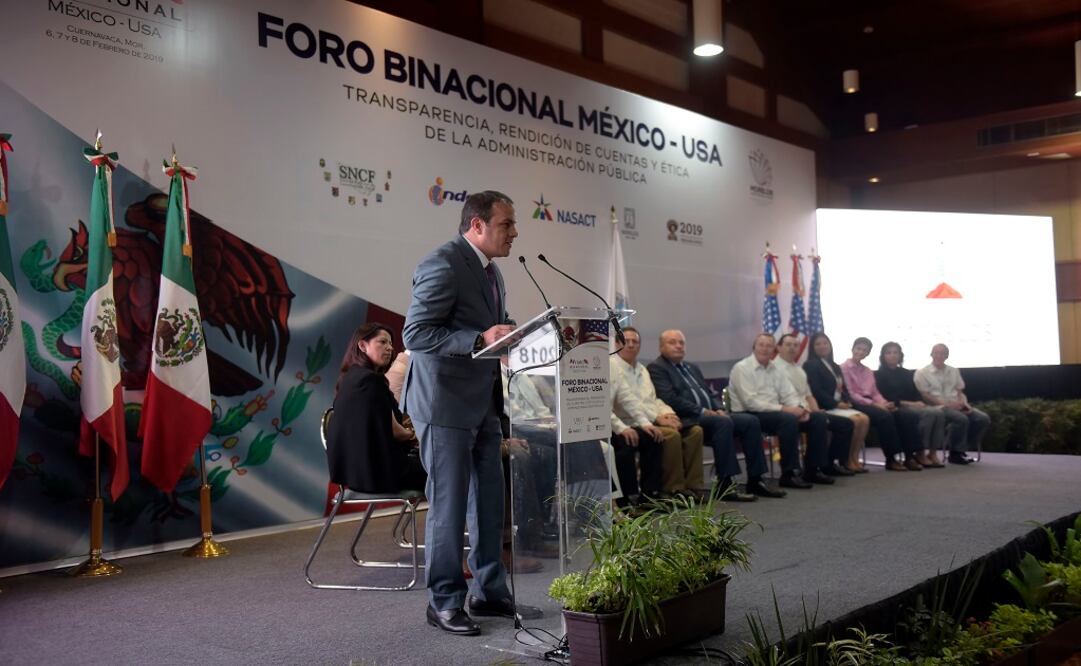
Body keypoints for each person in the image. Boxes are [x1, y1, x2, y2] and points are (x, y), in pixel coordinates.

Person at [401, 190, 518, 636]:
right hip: (443, 403)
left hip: (483, 402)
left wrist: (510, 335)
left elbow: (492, 325)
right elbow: (416, 334)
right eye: (507, 224)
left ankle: (489, 592)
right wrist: (478, 339)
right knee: (448, 508)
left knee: (489, 501)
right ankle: (444, 601)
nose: (514, 232)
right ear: (477, 226)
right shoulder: (443, 263)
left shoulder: (492, 272)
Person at [648, 329, 783, 499]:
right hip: (687, 419)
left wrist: (718, 408)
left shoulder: (691, 367)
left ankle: (756, 480)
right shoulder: (657, 368)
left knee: (750, 421)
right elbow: (669, 398)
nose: (678, 346)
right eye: (672, 342)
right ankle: (725, 484)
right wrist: (704, 411)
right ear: (661, 347)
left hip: (710, 416)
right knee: (723, 423)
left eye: (681, 343)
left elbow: (709, 393)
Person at [610, 327, 707, 503]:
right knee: (669, 434)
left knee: (695, 431)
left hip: (646, 419)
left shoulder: (641, 369)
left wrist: (669, 414)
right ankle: (671, 489)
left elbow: (653, 399)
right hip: (627, 422)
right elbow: (631, 402)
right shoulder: (612, 367)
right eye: (626, 341)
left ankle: (693, 487)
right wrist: (656, 419)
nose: (631, 345)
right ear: (616, 343)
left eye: (635, 341)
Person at [326, 323, 426, 494]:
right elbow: (397, 432)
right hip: (379, 474)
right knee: (445, 470)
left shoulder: (347, 379)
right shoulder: (373, 381)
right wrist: (416, 435)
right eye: (383, 342)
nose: (390, 348)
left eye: (390, 344)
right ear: (362, 345)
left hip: (353, 476)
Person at [728, 333, 832, 489]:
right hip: (749, 413)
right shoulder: (742, 368)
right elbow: (751, 402)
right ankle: (789, 473)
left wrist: (801, 409)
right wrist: (787, 409)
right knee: (788, 419)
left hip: (774, 413)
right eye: (761, 345)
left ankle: (812, 469)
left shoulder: (775, 369)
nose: (765, 349)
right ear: (754, 347)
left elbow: (789, 393)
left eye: (769, 346)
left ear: (774, 349)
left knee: (817, 418)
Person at [775, 333, 855, 477]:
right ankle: (805, 470)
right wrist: (805, 411)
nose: (792, 348)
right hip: (788, 412)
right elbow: (783, 397)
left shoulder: (798, 369)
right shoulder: (774, 369)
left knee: (845, 424)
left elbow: (809, 395)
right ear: (779, 348)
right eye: (788, 345)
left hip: (806, 411)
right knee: (815, 420)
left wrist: (816, 410)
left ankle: (828, 464)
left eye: (795, 345)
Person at [841, 337, 921, 471]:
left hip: (872, 402)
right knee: (885, 417)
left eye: (865, 350)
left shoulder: (867, 370)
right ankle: (891, 459)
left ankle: (909, 456)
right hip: (856, 403)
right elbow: (852, 394)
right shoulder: (844, 368)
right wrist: (874, 404)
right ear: (852, 349)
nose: (861, 352)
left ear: (868, 353)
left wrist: (885, 403)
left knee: (901, 414)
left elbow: (875, 391)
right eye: (858, 348)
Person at [803, 333, 871, 473]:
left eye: (825, 343)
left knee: (864, 419)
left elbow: (842, 387)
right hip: (824, 406)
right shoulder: (811, 365)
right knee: (855, 421)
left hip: (839, 404)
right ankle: (841, 460)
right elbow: (816, 391)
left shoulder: (834, 366)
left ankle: (852, 458)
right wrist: (835, 404)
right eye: (818, 344)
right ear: (812, 347)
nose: (822, 346)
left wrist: (846, 401)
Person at [913, 343, 989, 465]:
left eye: (942, 353)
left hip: (957, 404)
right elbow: (925, 395)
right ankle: (955, 453)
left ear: (947, 355)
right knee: (961, 419)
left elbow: (960, 391)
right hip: (938, 407)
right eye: (936, 353)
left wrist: (964, 404)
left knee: (982, 418)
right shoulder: (922, 372)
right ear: (931, 354)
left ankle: (962, 447)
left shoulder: (954, 371)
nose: (939, 355)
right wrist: (947, 405)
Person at [875, 342, 946, 468]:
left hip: (913, 404)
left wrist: (919, 401)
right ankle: (917, 453)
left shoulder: (906, 373)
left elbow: (915, 392)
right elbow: (885, 396)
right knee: (916, 415)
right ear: (883, 356)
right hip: (896, 406)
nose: (892, 355)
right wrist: (909, 403)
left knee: (938, 413)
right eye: (888, 353)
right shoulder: (878, 375)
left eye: (895, 352)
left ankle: (932, 452)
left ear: (900, 355)